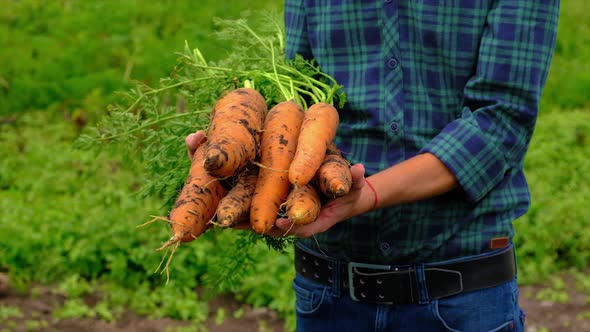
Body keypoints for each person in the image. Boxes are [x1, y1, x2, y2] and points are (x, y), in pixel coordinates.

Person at [187, 1, 560, 330]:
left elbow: (501, 123)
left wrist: (372, 194)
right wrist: (244, 162)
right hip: (328, 294)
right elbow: (301, 95)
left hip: (461, 295)